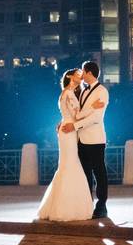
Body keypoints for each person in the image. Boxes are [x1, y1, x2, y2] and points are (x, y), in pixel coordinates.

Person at [36, 68, 104, 221]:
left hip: (67, 129)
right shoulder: (68, 93)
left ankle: (61, 204)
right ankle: (67, 207)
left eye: (82, 74)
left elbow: (69, 115)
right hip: (69, 131)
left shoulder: (67, 93)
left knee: (68, 165)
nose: (81, 77)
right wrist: (93, 107)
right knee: (70, 165)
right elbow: (76, 116)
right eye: (78, 75)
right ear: (70, 77)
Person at [60, 60, 109, 219]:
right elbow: (78, 113)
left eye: (83, 71)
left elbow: (95, 118)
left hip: (95, 139)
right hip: (80, 140)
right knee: (85, 174)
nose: (81, 74)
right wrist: (64, 121)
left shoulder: (102, 91)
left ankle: (101, 206)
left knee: (99, 173)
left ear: (89, 73)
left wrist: (74, 126)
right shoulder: (83, 91)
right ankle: (87, 204)